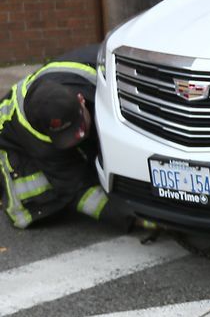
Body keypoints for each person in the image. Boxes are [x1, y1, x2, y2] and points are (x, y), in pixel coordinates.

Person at [0, 46, 141, 231]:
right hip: (10, 147)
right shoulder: (40, 140)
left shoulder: (105, 77)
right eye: (67, 136)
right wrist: (133, 219)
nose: (78, 136)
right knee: (34, 201)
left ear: (81, 100)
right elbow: (77, 189)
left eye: (79, 127)